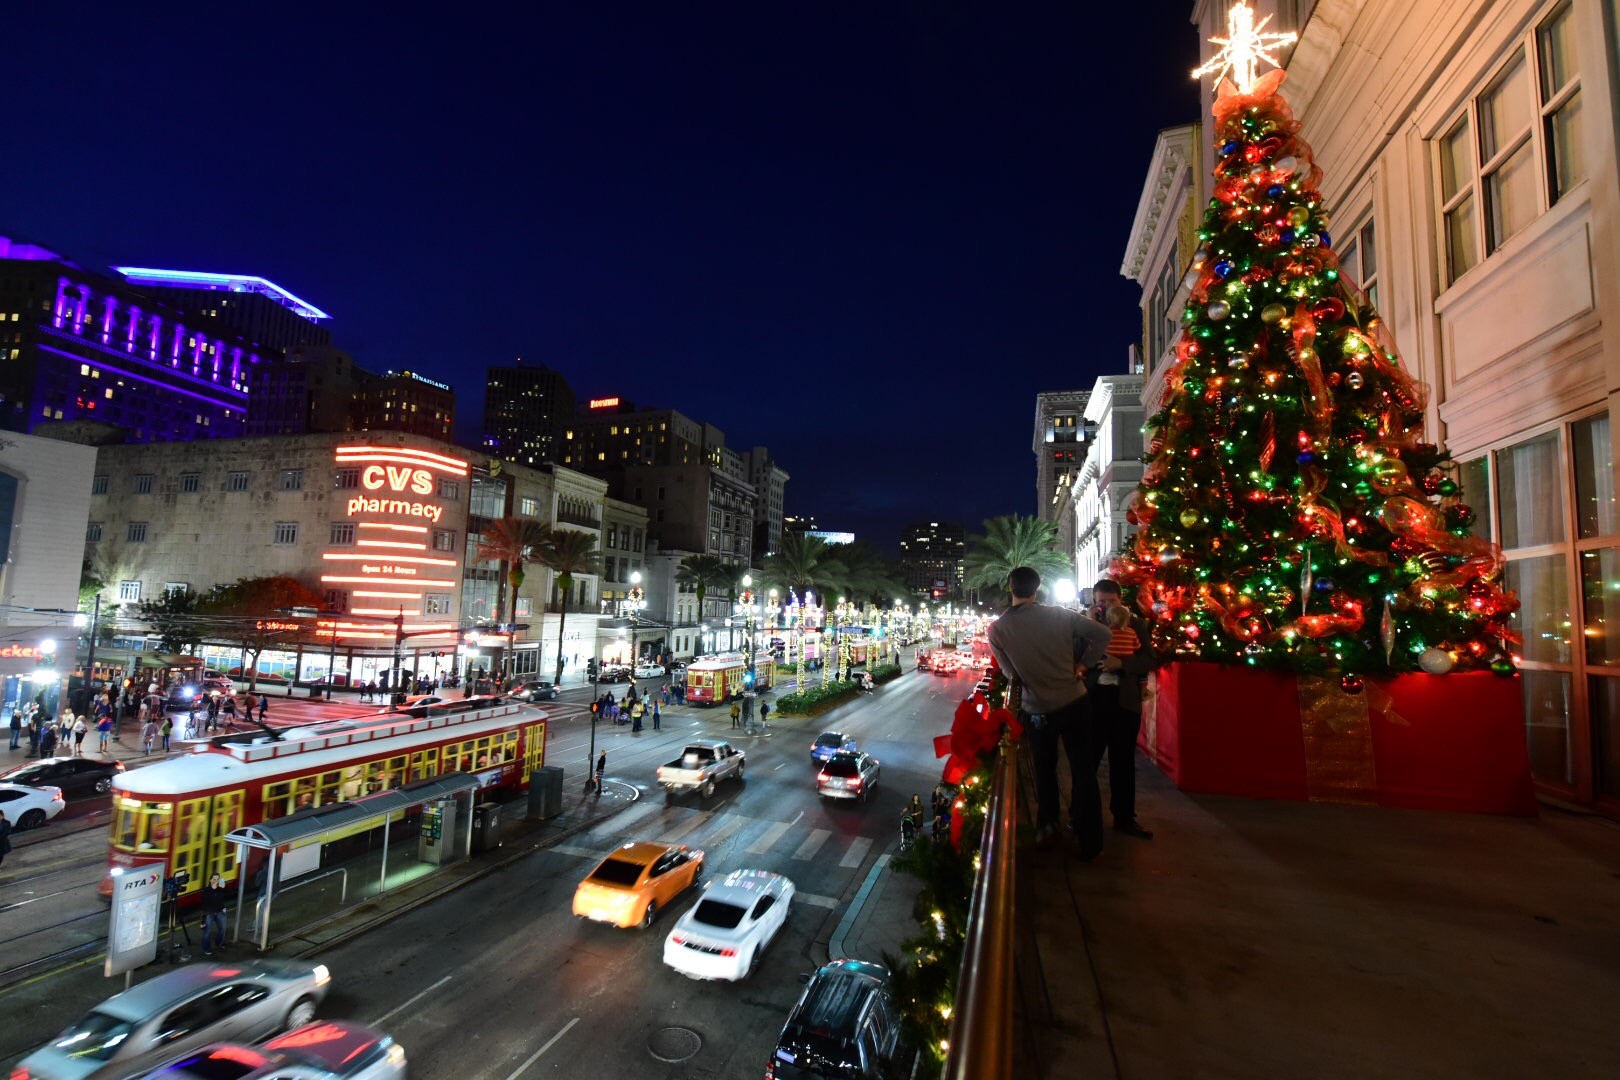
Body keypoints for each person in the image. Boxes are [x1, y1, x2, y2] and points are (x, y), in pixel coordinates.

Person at [986, 565, 1112, 858]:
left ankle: (1048, 827)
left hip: (1038, 709)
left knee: (1045, 772)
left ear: (1010, 587)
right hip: (1076, 702)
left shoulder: (998, 630)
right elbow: (1103, 634)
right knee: (1083, 772)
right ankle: (1090, 840)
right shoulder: (1059, 614)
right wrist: (1083, 664)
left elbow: (1010, 674)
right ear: (1038, 587)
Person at [1089, 580, 1156, 840]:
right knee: (1088, 760)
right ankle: (1079, 814)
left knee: (1124, 761)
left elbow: (1149, 658)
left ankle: (1125, 816)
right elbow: (1076, 654)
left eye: (1111, 601)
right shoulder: (1090, 624)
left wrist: (1122, 663)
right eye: (1101, 602)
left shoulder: (1136, 624)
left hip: (1125, 702)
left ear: (1120, 599)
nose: (1106, 607)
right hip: (1094, 700)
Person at [199, 872, 231, 955]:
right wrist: (203, 920)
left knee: (223, 929)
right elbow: (203, 904)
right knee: (207, 932)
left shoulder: (220, 888)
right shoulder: (206, 890)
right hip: (209, 913)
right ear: (210, 880)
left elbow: (229, 894)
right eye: (214, 879)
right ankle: (207, 948)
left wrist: (224, 887)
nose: (216, 881)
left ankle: (218, 943)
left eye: (218, 879)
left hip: (220, 912)